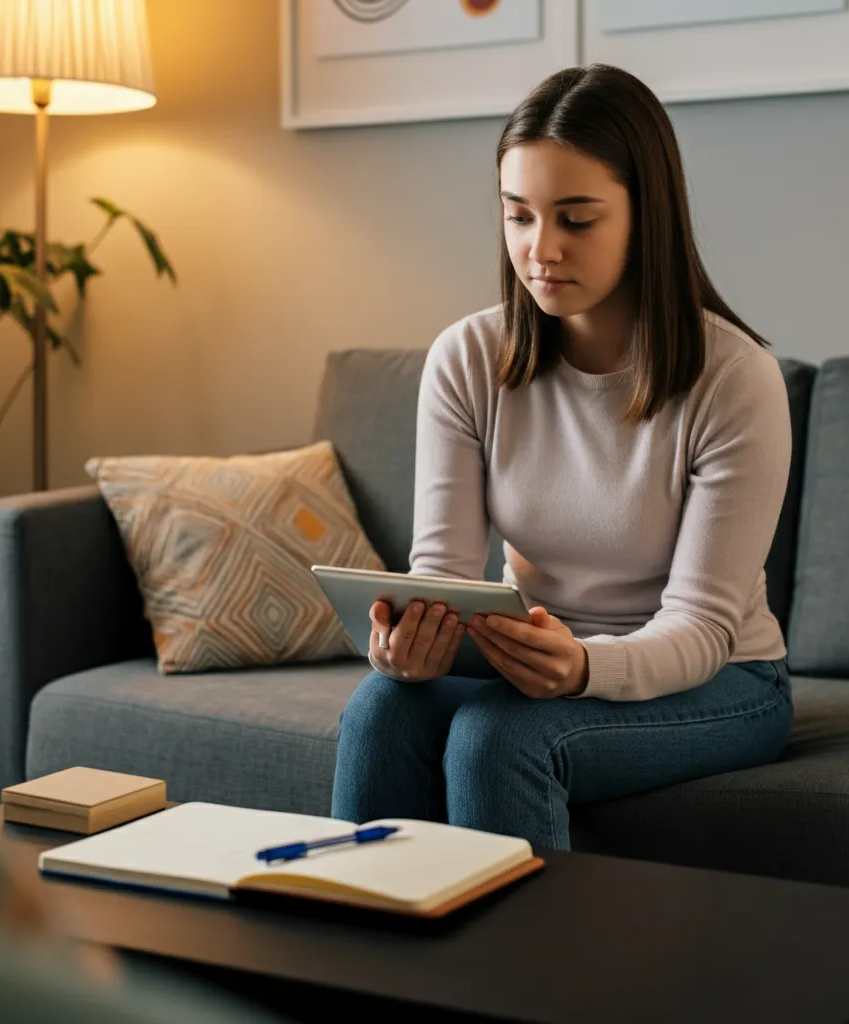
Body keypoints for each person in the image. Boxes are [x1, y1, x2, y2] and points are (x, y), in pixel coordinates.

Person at [331, 64, 794, 851]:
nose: (539, 250)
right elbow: (439, 571)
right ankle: (355, 965)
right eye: (518, 216)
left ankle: (521, 977)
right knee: (381, 709)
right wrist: (406, 642)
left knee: (498, 738)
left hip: (719, 678)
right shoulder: (466, 359)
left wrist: (583, 669)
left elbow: (703, 626)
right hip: (531, 655)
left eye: (576, 219)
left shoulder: (735, 378)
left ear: (647, 216)